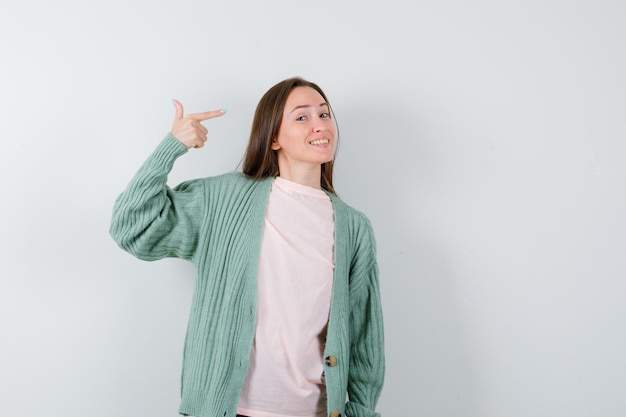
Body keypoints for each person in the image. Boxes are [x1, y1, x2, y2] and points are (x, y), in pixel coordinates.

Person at [109, 77, 384, 417]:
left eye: (324, 115)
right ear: (272, 139)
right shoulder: (223, 200)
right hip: (227, 408)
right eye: (302, 117)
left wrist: (362, 410)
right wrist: (172, 146)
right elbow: (131, 226)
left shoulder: (353, 227)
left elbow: (363, 333)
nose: (320, 126)